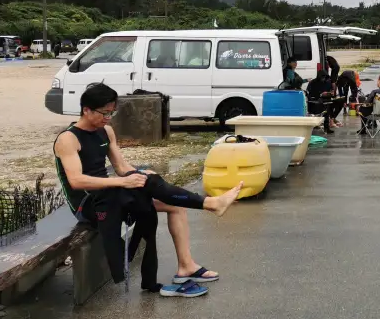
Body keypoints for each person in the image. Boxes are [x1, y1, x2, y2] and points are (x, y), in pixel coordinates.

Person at [53, 83, 243, 298]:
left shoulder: (106, 131)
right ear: (86, 109)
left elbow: (122, 168)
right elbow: (77, 181)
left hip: (111, 194)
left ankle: (186, 266)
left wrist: (139, 173)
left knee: (172, 203)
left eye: (111, 112)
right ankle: (210, 203)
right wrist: (122, 182)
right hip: (89, 205)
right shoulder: (68, 139)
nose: (108, 118)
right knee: (148, 184)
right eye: (103, 113)